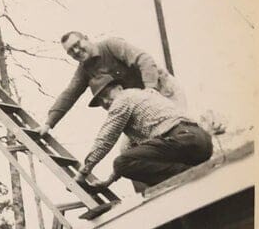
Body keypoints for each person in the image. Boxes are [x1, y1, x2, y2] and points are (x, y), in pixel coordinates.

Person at [36, 32, 187, 137]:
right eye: (71, 51)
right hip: (140, 106)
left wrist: (151, 88)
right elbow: (69, 94)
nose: (76, 50)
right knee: (136, 147)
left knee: (179, 128)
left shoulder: (110, 45)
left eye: (77, 44)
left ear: (86, 39)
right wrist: (48, 124)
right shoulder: (84, 70)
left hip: (161, 89)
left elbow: (144, 59)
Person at [76, 74, 213, 189]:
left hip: (182, 138)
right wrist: (109, 181)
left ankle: (192, 174)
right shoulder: (140, 98)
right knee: (130, 162)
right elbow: (128, 151)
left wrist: (84, 171)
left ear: (119, 88)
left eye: (106, 94)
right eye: (100, 101)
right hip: (201, 141)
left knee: (124, 163)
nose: (105, 101)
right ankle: (194, 174)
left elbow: (106, 139)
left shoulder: (123, 99)